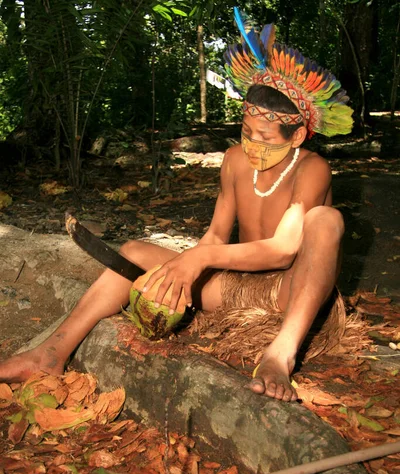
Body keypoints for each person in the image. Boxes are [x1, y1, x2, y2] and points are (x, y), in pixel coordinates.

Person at [0, 11, 354, 401]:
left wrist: (197, 261)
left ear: (298, 135)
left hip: (289, 292)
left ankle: (280, 355)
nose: (252, 143)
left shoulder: (313, 168)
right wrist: (180, 270)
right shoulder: (236, 160)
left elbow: (286, 248)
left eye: (265, 136)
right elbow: (217, 234)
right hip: (237, 288)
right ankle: (50, 353)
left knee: (325, 219)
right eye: (246, 131)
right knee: (134, 253)